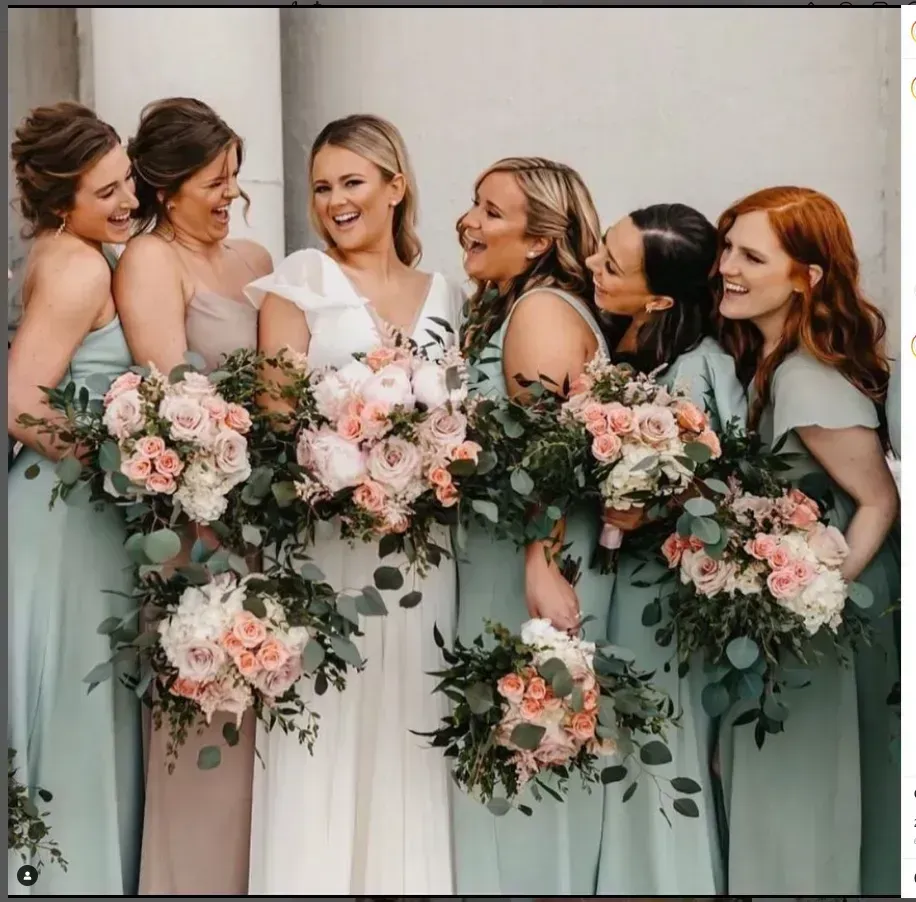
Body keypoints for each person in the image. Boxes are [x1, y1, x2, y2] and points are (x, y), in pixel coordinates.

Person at [245, 114, 461, 894]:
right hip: (326, 543)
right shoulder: (300, 279)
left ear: (395, 186)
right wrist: (353, 466)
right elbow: (277, 421)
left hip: (423, 551)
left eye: (352, 182)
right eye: (321, 187)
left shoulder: (447, 293)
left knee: (409, 723)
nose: (334, 200)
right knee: (325, 731)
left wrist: (424, 462)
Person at [714, 186, 901, 894]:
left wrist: (813, 598)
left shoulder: (806, 376)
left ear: (806, 277)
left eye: (749, 255)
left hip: (832, 606)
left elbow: (878, 501)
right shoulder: (776, 361)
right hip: (806, 595)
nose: (727, 266)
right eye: (727, 247)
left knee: (804, 786)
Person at [112, 96, 273, 896]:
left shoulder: (252, 259)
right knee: (206, 726)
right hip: (198, 532)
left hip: (271, 531)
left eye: (234, 179)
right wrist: (207, 530)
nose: (229, 197)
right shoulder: (150, 261)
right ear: (167, 186)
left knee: (263, 742)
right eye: (214, 180)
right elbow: (172, 400)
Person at [451, 157, 615, 894]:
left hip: (530, 558)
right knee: (511, 739)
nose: (468, 222)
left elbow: (543, 449)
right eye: (473, 205)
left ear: (541, 241)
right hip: (506, 547)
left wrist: (538, 561)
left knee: (526, 740)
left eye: (490, 212)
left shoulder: (542, 311)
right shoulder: (513, 304)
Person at [6, 101, 143, 895]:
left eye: (127, 181)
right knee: (69, 701)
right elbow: (21, 401)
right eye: (107, 193)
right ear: (64, 202)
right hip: (62, 514)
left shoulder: (76, 249)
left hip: (76, 513)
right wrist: (128, 463)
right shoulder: (80, 264)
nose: (127, 201)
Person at [588, 203, 741, 894]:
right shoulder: (627, 345)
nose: (592, 264)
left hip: (662, 594)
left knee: (651, 749)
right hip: (618, 586)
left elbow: (726, 484)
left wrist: (647, 504)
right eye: (600, 249)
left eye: (610, 265)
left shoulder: (699, 369)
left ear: (657, 297)